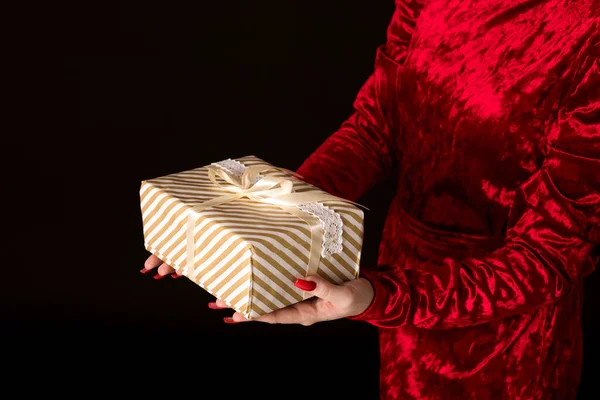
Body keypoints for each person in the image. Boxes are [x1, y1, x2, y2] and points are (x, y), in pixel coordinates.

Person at [142, 0, 599, 398]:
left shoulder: (589, 29)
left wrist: (381, 297)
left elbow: (549, 255)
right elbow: (376, 131)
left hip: (506, 334)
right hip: (400, 282)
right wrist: (260, 223)